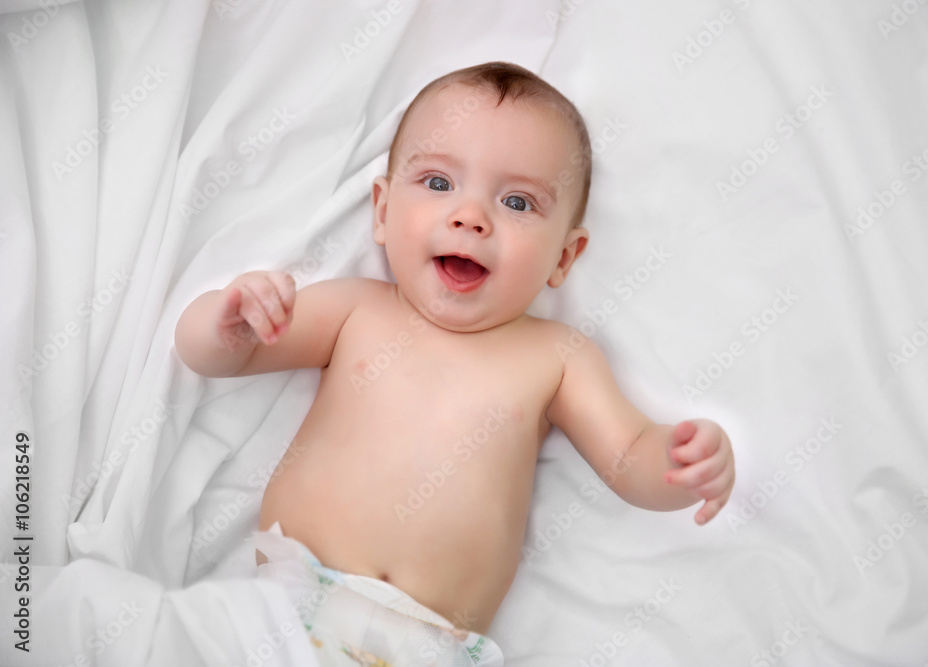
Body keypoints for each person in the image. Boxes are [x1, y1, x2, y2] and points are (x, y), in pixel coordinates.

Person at [174, 61, 735, 666]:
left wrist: (680, 465)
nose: (471, 217)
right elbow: (218, 357)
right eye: (439, 184)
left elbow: (629, 459)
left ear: (564, 257)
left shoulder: (557, 357)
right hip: (288, 608)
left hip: (434, 648)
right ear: (383, 213)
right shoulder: (356, 312)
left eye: (517, 201)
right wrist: (227, 321)